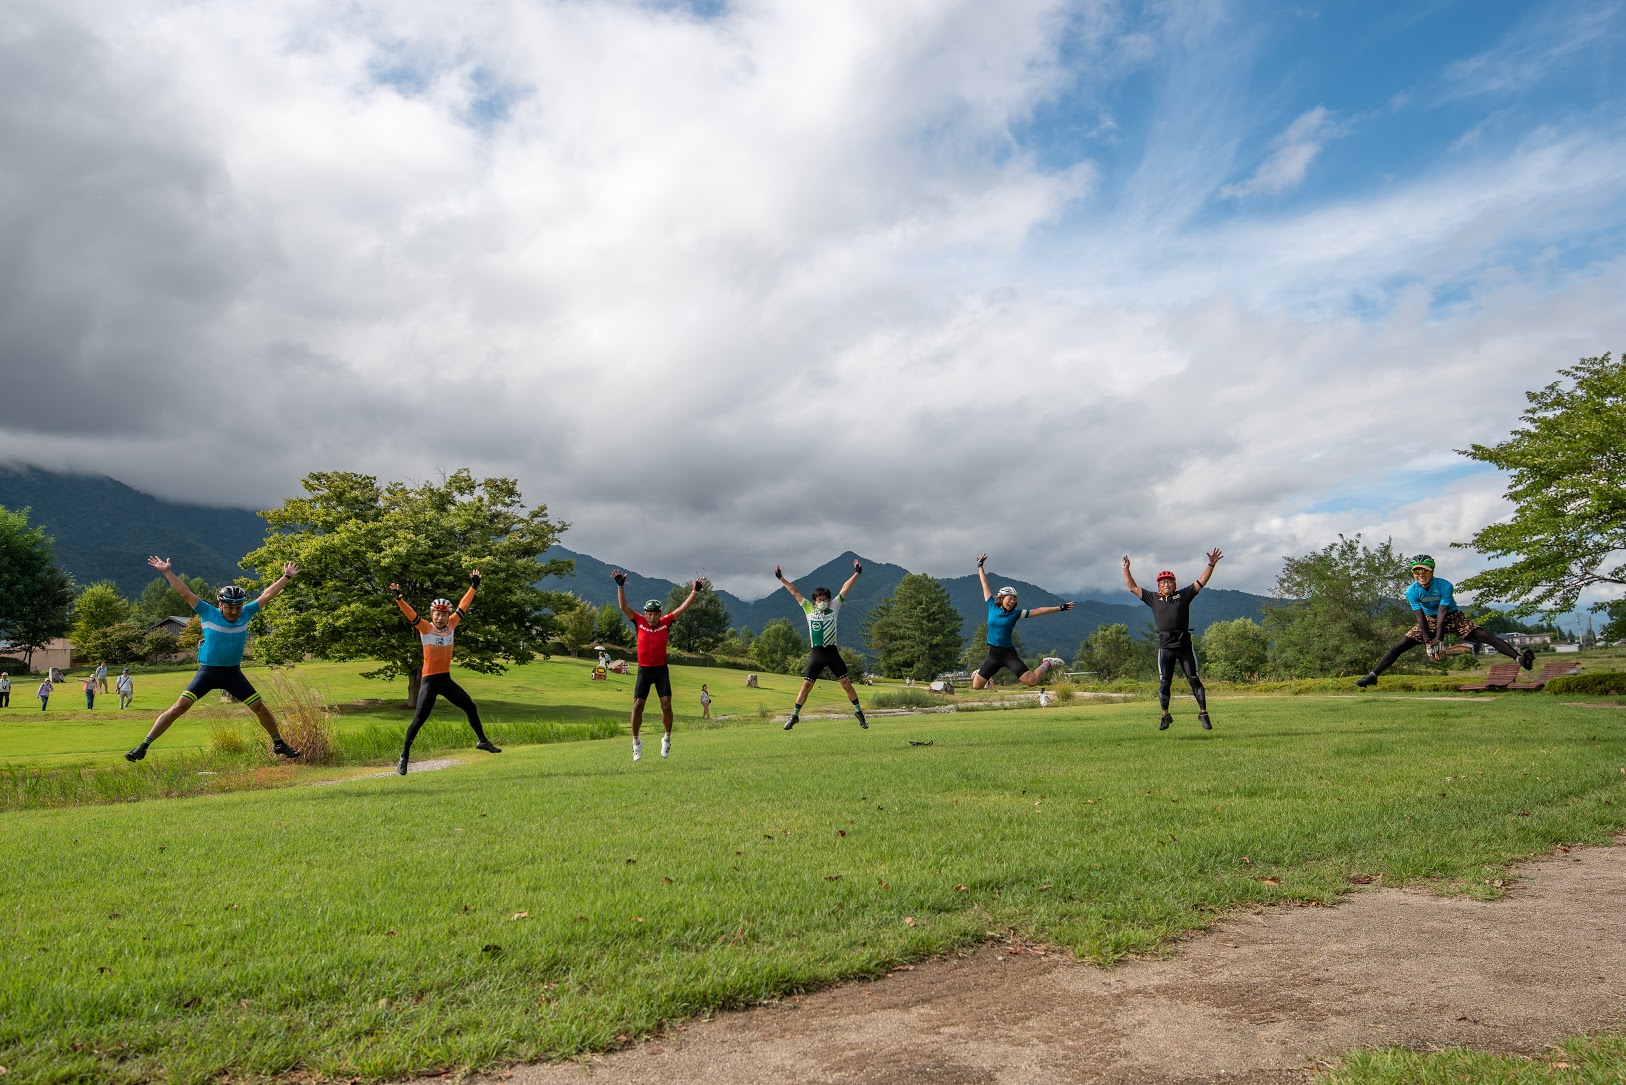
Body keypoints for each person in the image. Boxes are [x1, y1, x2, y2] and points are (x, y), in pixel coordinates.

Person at [125, 556, 303, 762]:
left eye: (238, 607)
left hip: (233, 673)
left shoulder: (246, 613)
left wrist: (286, 577)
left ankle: (278, 744)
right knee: (179, 707)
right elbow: (185, 593)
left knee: (260, 708)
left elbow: (267, 595)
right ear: (220, 605)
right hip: (209, 672)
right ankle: (143, 746)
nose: (235, 611)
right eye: (230, 607)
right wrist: (166, 572)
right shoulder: (208, 613)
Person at [1355, 555, 1535, 687]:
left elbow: (1442, 612)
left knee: (1484, 635)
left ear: (1432, 571)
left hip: (1452, 616)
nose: (1421, 574)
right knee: (1400, 645)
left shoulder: (1445, 585)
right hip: (1429, 620)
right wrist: (1428, 642)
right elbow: (1420, 617)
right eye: (1416, 571)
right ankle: (1373, 675)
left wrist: (1439, 641)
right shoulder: (1411, 591)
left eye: (1424, 570)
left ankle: (1519, 658)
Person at [391, 571, 501, 775]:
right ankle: (404, 756)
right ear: (431, 614)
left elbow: (464, 605)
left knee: (470, 706)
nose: (440, 617)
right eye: (437, 613)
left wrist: (474, 586)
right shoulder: (425, 628)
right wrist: (399, 599)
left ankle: (483, 741)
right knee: (419, 719)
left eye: (443, 614)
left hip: (445, 679)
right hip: (429, 682)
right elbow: (410, 614)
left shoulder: (452, 624)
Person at [1125, 550, 1222, 730]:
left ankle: (1203, 713)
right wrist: (1126, 568)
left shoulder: (1183, 595)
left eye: (1169, 581)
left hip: (1184, 645)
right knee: (1164, 682)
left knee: (1194, 679)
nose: (1166, 584)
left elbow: (1201, 581)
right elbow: (1132, 587)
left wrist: (1211, 564)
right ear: (1159, 586)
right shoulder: (1153, 598)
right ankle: (1165, 715)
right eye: (1163, 582)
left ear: (1175, 584)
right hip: (1166, 647)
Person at [612, 570, 702, 761]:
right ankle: (636, 742)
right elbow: (623, 607)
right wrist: (620, 586)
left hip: (661, 671)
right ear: (645, 614)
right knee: (637, 706)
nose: (652, 617)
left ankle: (667, 738)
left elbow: (682, 608)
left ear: (659, 614)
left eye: (655, 614)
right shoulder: (639, 621)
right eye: (649, 614)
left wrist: (695, 591)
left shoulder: (666, 622)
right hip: (644, 671)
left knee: (666, 705)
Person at [774, 559, 868, 730]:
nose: (822, 601)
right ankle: (794, 716)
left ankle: (859, 713)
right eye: (819, 599)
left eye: (825, 599)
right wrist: (781, 578)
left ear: (829, 599)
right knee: (806, 685)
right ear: (815, 601)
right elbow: (794, 592)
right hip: (817, 654)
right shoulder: (809, 609)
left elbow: (845, 588)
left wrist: (857, 573)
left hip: (832, 653)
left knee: (846, 683)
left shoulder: (834, 607)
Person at [969, 554, 1071, 691]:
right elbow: (985, 584)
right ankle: (979, 673)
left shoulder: (1016, 614)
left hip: (1008, 654)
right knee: (976, 686)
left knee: (1033, 681)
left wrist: (1060, 608)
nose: (1012, 601)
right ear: (1002, 598)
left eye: (1014, 599)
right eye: (1010, 598)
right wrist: (980, 565)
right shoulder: (991, 605)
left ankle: (1048, 662)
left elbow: (1039, 611)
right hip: (993, 655)